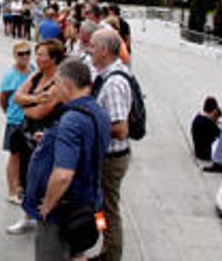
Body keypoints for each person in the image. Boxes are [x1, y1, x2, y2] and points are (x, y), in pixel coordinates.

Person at [23, 57, 111, 261]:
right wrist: (50, 140)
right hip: (91, 203)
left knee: (53, 254)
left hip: (64, 209)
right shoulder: (98, 111)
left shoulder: (71, 119)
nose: (54, 88)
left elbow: (63, 174)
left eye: (57, 83)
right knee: (78, 252)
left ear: (68, 85)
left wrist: (47, 205)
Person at [8, 39, 67, 235]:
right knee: (27, 174)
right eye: (38, 54)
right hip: (28, 135)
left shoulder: (59, 82)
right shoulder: (36, 76)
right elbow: (16, 96)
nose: (37, 58)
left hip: (46, 135)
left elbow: (41, 112)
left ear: (53, 59)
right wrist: (33, 99)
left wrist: (26, 107)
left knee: (43, 176)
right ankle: (28, 216)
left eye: (42, 55)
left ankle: (47, 217)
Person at [89, 29, 132, 261]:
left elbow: (121, 129)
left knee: (109, 211)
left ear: (104, 50)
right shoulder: (108, 75)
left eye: (93, 46)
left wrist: (89, 128)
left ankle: (111, 255)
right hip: (108, 157)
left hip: (111, 158)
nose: (89, 50)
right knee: (103, 208)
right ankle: (106, 249)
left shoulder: (113, 83)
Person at [0, 40, 35, 204]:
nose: (25, 57)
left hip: (31, 119)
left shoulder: (33, 70)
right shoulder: (10, 76)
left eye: (28, 53)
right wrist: (9, 113)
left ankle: (22, 185)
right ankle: (12, 190)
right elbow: (3, 98)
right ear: (14, 56)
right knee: (15, 156)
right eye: (21, 54)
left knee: (28, 155)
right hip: (16, 120)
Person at [192, 96, 222, 161]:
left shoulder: (198, 117)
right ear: (214, 111)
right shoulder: (207, 123)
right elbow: (220, 135)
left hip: (199, 150)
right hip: (206, 153)